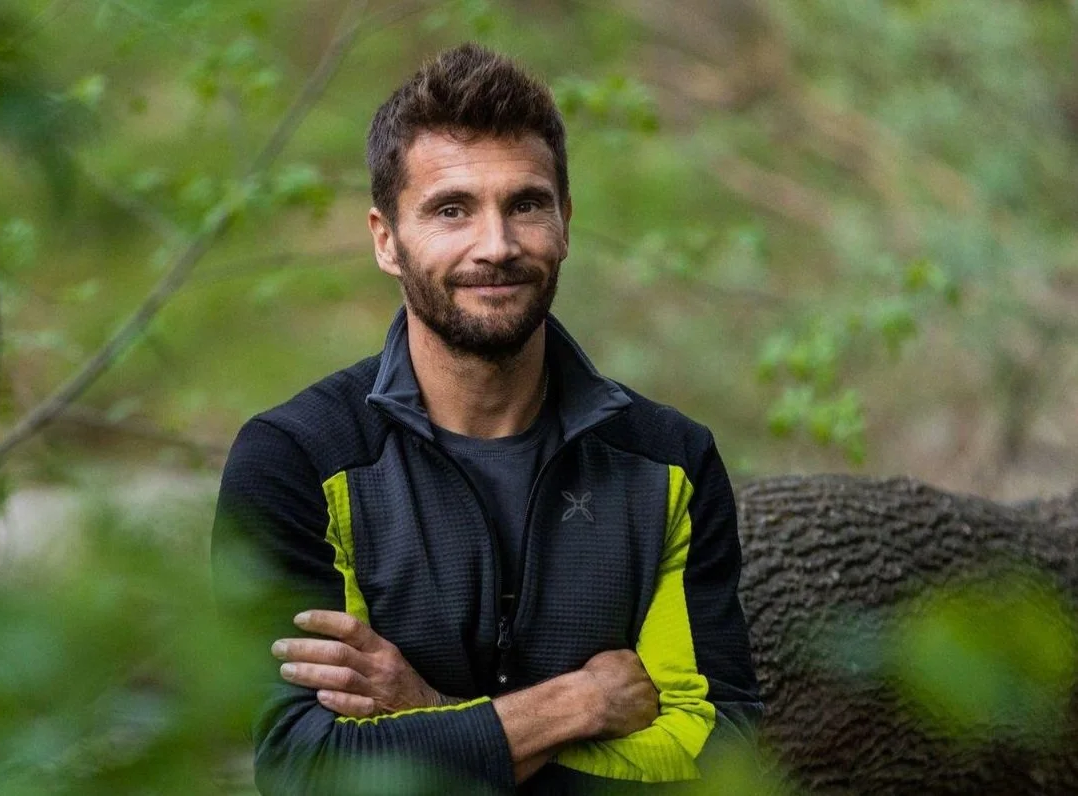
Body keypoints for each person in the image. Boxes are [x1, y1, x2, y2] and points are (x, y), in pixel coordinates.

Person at [212, 43, 762, 794]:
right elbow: (305, 770)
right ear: (385, 239)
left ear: (564, 222)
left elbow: (718, 762)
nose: (496, 245)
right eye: (451, 210)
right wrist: (578, 704)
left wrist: (432, 713)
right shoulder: (297, 459)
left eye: (525, 204)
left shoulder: (669, 461)